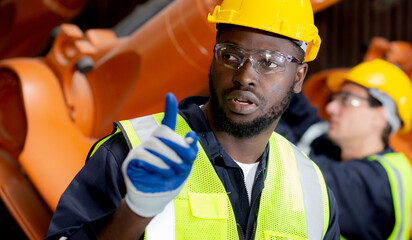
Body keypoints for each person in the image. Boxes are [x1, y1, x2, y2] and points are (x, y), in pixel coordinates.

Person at [45, 0, 340, 239]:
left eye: (269, 62)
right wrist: (136, 210)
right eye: (230, 55)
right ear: (212, 59)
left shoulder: (310, 184)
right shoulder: (133, 153)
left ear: (299, 76)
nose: (245, 75)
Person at [276, 59, 412, 240]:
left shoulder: (375, 183)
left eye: (348, 100)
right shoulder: (339, 152)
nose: (330, 107)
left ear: (380, 117)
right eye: (335, 99)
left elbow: (294, 169)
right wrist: (280, 69)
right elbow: (302, 118)